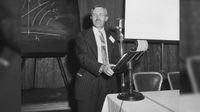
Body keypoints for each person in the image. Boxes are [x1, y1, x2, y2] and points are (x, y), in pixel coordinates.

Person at [74, 5, 122, 112]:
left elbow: (116, 58)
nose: (97, 17)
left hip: (109, 82)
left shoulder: (113, 36)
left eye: (101, 14)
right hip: (88, 81)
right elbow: (82, 57)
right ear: (91, 18)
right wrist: (102, 67)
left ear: (106, 18)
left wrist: (119, 65)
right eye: (94, 15)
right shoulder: (82, 36)